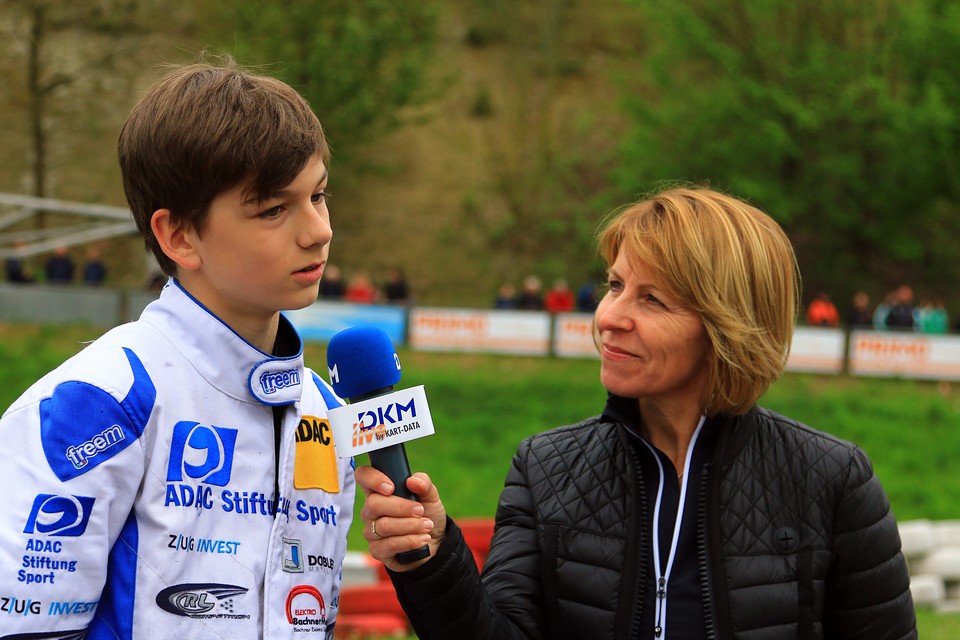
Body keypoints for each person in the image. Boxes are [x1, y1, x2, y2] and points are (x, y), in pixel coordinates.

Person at [356, 187, 916, 639]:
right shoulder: (545, 467)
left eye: (652, 299)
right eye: (616, 285)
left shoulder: (832, 480)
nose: (609, 317)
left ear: (727, 325)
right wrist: (431, 561)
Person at [0, 59, 355, 638]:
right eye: (274, 209)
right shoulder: (101, 401)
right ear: (179, 236)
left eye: (318, 196)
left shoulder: (326, 412)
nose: (318, 230)